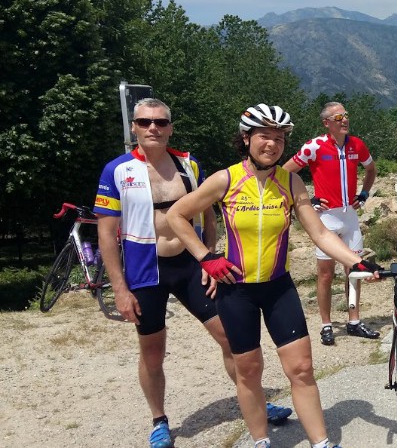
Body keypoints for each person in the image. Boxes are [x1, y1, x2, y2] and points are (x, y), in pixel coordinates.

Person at [168, 104, 379, 448]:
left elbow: (320, 233)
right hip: (237, 290)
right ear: (246, 138)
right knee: (249, 371)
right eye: (264, 136)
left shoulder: (291, 181)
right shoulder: (226, 179)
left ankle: (321, 443)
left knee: (302, 369)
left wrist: (356, 262)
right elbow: (176, 216)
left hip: (279, 288)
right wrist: (206, 258)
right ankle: (260, 440)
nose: (272, 144)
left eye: (279, 138)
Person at [93, 99, 292, 448]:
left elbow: (208, 216)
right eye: (144, 122)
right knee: (152, 351)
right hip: (146, 270)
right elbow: (107, 235)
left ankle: (255, 400)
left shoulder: (189, 164)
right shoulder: (117, 171)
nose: (153, 128)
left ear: (170, 127)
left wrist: (209, 258)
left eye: (160, 122)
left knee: (230, 337)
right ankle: (159, 420)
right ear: (134, 127)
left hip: (189, 266)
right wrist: (119, 290)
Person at [281, 102, 379, 346]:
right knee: (325, 274)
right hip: (326, 218)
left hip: (350, 216)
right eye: (338, 117)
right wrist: (308, 199)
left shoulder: (357, 144)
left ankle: (354, 320)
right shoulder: (315, 146)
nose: (344, 120)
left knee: (354, 271)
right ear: (326, 123)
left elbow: (371, 169)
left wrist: (364, 194)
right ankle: (326, 324)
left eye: (346, 115)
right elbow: (284, 173)